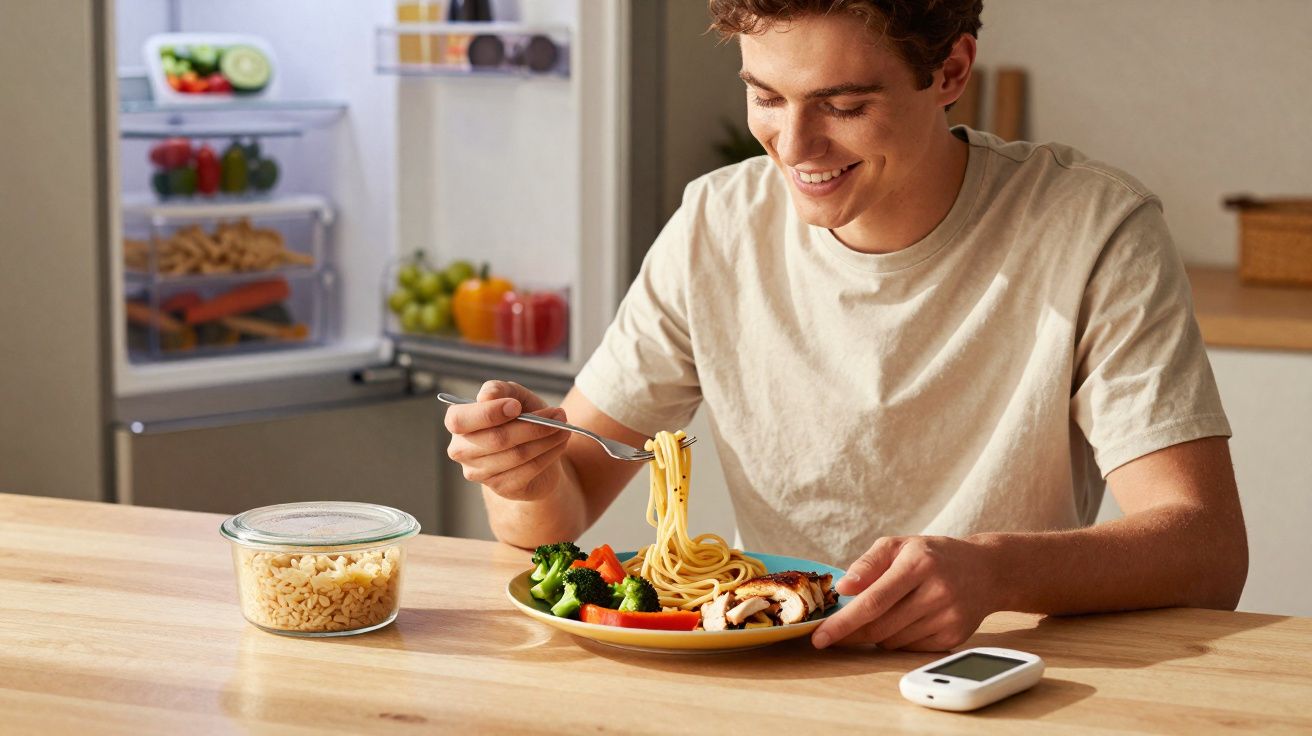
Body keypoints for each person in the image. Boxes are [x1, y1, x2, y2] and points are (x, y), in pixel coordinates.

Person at [443, 0, 1248, 651]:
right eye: (765, 96)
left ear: (951, 71)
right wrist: (523, 474)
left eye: (845, 105)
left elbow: (1206, 551)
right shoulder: (716, 225)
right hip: (772, 670)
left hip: (997, 678)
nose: (794, 147)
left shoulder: (1092, 228)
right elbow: (560, 506)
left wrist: (993, 571)